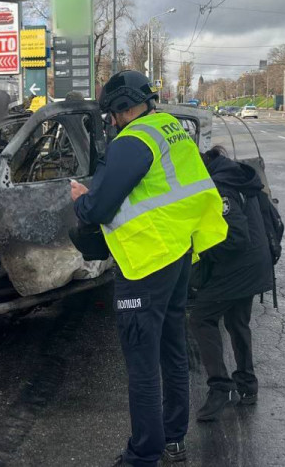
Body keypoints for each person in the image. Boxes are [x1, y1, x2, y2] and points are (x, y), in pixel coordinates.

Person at [70, 70, 228, 467]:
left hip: (145, 264)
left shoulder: (132, 141)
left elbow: (98, 209)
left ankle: (143, 455)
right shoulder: (171, 128)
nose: (111, 122)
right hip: (176, 254)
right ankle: (173, 440)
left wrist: (80, 200)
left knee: (142, 364)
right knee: (172, 349)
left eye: (112, 113)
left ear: (122, 109)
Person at [189, 145, 274, 422]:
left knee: (201, 318)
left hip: (239, 267)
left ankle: (220, 387)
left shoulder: (220, 187)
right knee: (238, 322)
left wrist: (201, 249)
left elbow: (235, 238)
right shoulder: (233, 174)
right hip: (255, 264)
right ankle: (247, 386)